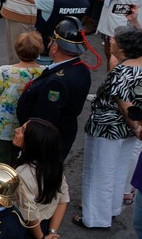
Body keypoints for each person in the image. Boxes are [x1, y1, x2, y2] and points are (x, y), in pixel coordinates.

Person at [81, 27, 142, 227]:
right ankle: (111, 209)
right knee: (119, 169)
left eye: (116, 39)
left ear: (124, 48)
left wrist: (137, 126)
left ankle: (96, 218)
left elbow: (123, 104)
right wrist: (138, 127)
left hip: (107, 126)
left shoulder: (121, 71)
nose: (111, 41)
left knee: (100, 171)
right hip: (128, 129)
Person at [14, 20, 92, 156]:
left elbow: (44, 119)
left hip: (42, 144)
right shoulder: (81, 68)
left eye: (51, 41)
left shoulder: (57, 81)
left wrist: (29, 145)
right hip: (62, 135)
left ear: (55, 48)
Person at [0, 30, 45, 165]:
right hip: (27, 124)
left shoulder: (5, 71)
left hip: (3, 122)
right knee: (21, 161)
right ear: (39, 50)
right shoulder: (45, 71)